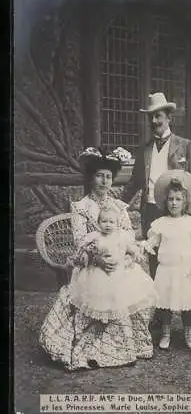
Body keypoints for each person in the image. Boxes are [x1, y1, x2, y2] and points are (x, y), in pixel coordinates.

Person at [39, 146, 156, 371]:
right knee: (98, 290)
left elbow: (127, 236)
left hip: (118, 262)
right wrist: (99, 261)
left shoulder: (119, 208)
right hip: (91, 264)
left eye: (108, 177)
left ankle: (130, 344)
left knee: (130, 283)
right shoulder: (81, 207)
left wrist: (122, 260)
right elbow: (81, 241)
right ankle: (91, 346)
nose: (104, 181)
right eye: (100, 176)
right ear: (92, 178)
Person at [121, 92, 191, 337]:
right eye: (150, 117)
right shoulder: (145, 149)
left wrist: (189, 216)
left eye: (158, 116)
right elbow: (135, 182)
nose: (154, 121)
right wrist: (118, 205)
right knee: (158, 265)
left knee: (186, 264)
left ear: (168, 117)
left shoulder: (186, 146)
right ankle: (162, 315)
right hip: (151, 212)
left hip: (180, 214)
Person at [140, 170, 191, 350]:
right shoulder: (161, 223)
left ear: (185, 202)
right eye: (170, 199)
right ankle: (166, 333)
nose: (174, 203)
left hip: (186, 269)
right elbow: (152, 242)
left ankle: (188, 333)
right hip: (166, 269)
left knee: (187, 304)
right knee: (166, 304)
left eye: (178, 199)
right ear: (165, 201)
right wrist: (144, 246)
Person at [69, 206, 156, 323]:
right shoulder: (95, 237)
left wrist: (136, 253)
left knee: (119, 293)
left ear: (117, 223)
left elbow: (131, 248)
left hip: (118, 269)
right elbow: (87, 252)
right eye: (104, 221)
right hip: (98, 271)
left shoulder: (121, 236)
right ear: (98, 223)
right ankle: (103, 318)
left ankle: (117, 318)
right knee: (100, 295)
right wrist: (86, 256)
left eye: (111, 222)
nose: (108, 225)